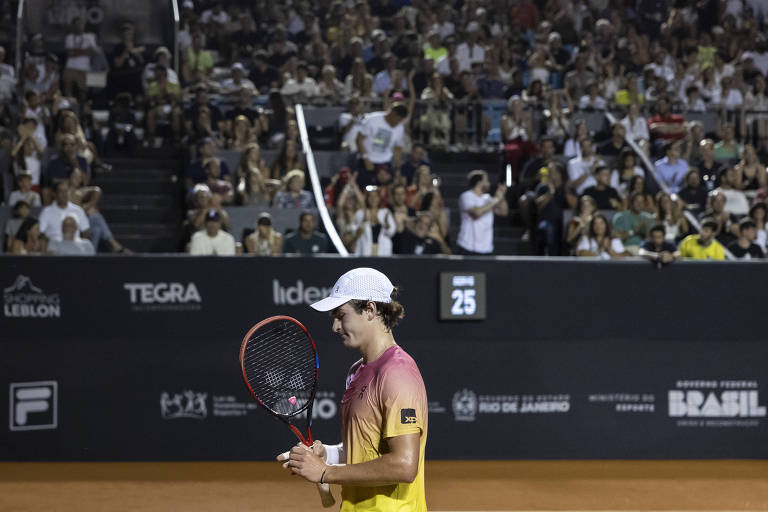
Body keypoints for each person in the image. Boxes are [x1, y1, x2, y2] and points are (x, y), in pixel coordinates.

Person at [281, 267, 427, 512]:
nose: (335, 327)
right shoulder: (356, 371)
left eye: (341, 315)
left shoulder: (397, 373)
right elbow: (364, 449)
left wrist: (326, 473)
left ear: (370, 310)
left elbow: (404, 464)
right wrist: (327, 454)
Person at [456, 170, 508, 255]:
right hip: (468, 247)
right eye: (486, 181)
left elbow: (503, 212)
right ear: (479, 182)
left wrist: (501, 196)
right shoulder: (466, 196)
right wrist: (496, 199)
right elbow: (476, 213)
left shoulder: (488, 198)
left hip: (486, 248)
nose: (489, 183)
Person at [356, 103, 407, 187]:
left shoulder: (400, 128)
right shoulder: (372, 119)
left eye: (400, 121)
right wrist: (365, 159)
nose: (397, 123)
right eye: (397, 120)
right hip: (367, 161)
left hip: (385, 163)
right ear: (392, 114)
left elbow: (398, 148)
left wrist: (398, 169)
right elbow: (359, 139)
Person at [352, 188, 396, 256]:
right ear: (367, 198)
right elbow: (355, 233)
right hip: (365, 249)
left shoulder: (385, 212)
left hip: (383, 249)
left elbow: (391, 232)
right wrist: (364, 221)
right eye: (370, 196)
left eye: (375, 196)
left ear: (379, 198)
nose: (373, 199)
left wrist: (386, 224)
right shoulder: (360, 213)